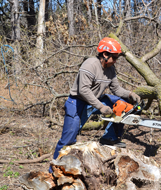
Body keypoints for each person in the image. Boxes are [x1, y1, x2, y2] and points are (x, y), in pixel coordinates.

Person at [49, 37, 140, 172]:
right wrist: (101, 107)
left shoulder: (111, 69)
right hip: (77, 102)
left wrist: (130, 94)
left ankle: (110, 137)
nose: (115, 61)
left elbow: (116, 89)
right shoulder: (90, 64)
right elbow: (83, 90)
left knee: (122, 104)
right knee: (68, 140)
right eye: (114, 58)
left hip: (94, 101)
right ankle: (53, 171)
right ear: (105, 54)